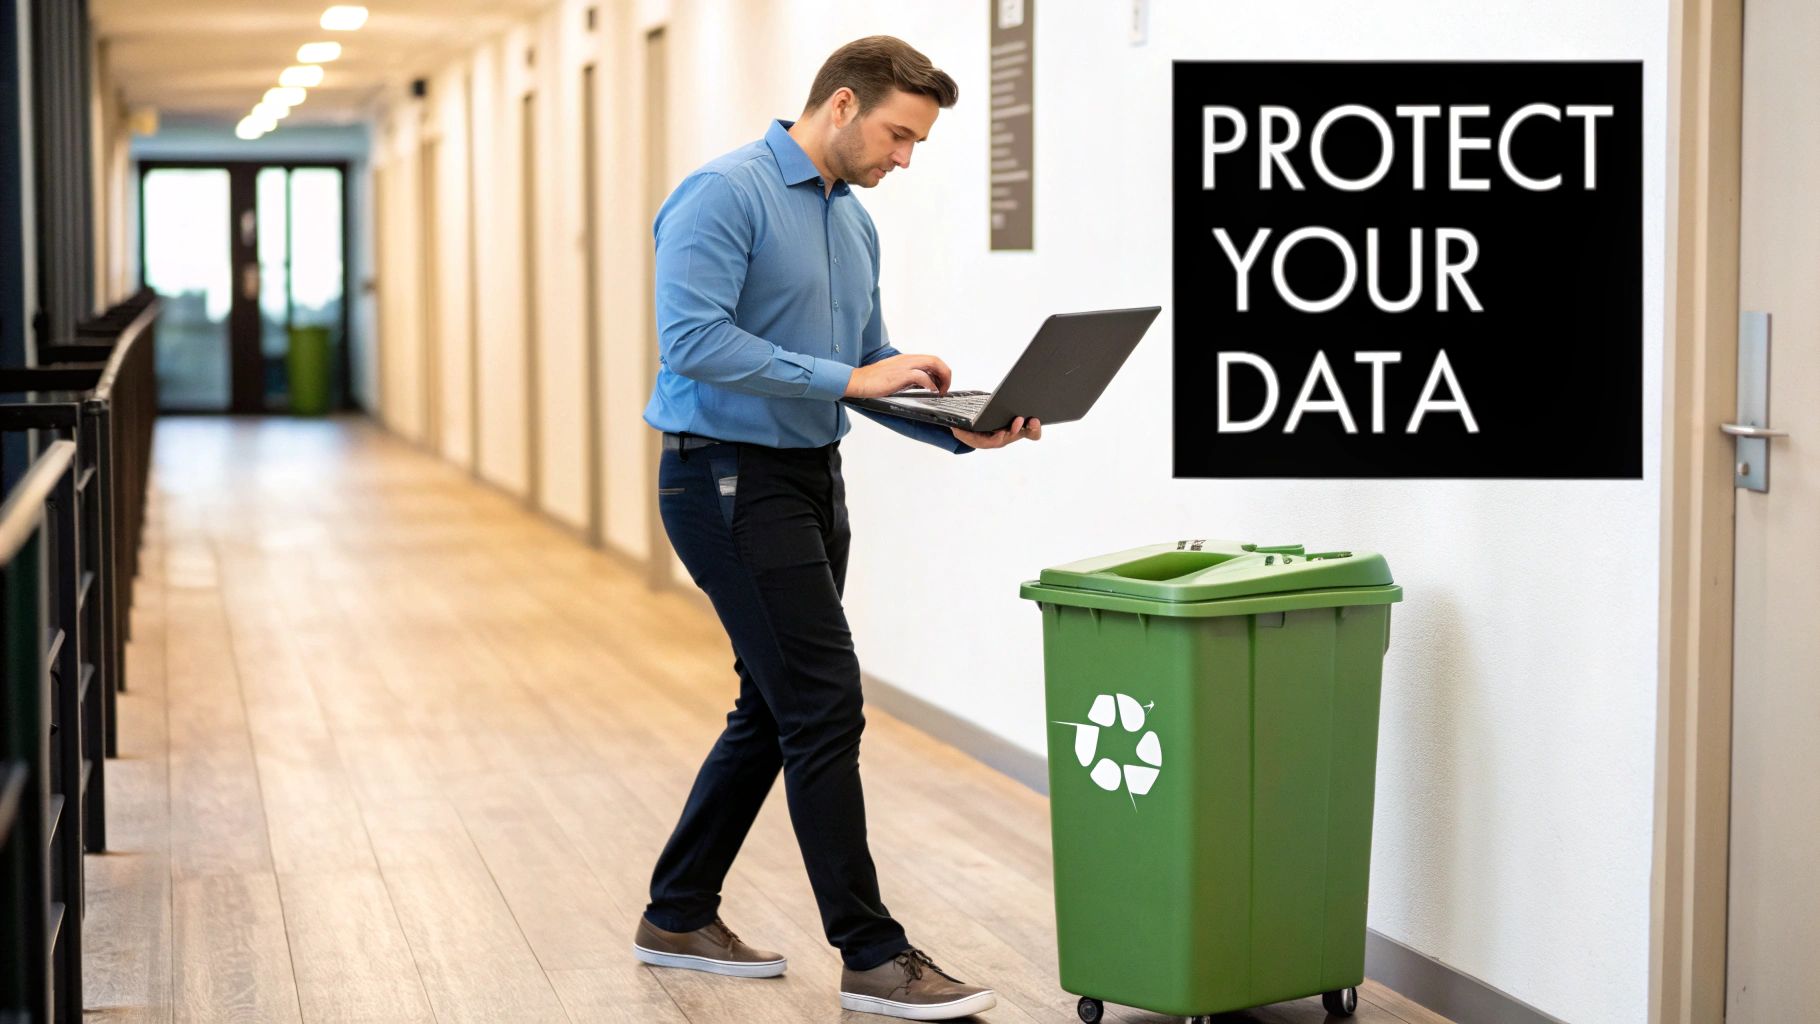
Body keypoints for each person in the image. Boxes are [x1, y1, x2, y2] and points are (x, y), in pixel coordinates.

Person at [633, 34, 1038, 1022]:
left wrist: (959, 430)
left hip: (810, 479)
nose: (904, 158)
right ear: (843, 104)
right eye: (899, 135)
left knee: (774, 706)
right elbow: (691, 339)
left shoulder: (852, 226)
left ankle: (677, 911)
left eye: (917, 144)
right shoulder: (721, 193)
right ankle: (871, 954)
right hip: (723, 480)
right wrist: (849, 377)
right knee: (822, 703)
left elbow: (864, 364)